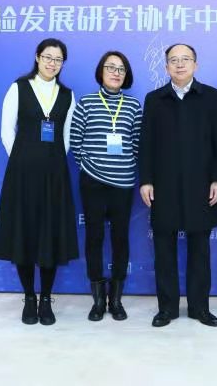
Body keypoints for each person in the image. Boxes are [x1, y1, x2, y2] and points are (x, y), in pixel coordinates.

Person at [139, 44, 217, 328]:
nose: (180, 64)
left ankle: (200, 308)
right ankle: (166, 309)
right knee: (164, 249)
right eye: (174, 60)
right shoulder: (155, 99)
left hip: (201, 185)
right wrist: (146, 180)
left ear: (195, 65)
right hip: (163, 185)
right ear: (166, 67)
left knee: (200, 249)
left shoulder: (211, 97)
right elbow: (146, 144)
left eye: (185, 59)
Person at [0, 38, 78, 326]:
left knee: (50, 235)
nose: (52, 63)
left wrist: (51, 161)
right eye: (48, 57)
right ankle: (29, 297)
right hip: (22, 174)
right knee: (24, 235)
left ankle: (46, 299)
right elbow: (6, 131)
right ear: (38, 57)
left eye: (58, 59)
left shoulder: (67, 95)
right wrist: (23, 160)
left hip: (55, 176)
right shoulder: (19, 88)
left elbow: (66, 136)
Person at [70, 51, 142, 321]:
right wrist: (90, 167)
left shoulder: (133, 105)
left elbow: (137, 143)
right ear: (101, 71)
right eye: (111, 67)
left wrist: (124, 167)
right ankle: (98, 301)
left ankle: (116, 300)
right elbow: (75, 141)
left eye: (121, 69)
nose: (116, 73)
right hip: (93, 182)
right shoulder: (87, 103)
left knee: (120, 238)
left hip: (123, 183)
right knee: (94, 238)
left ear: (126, 75)